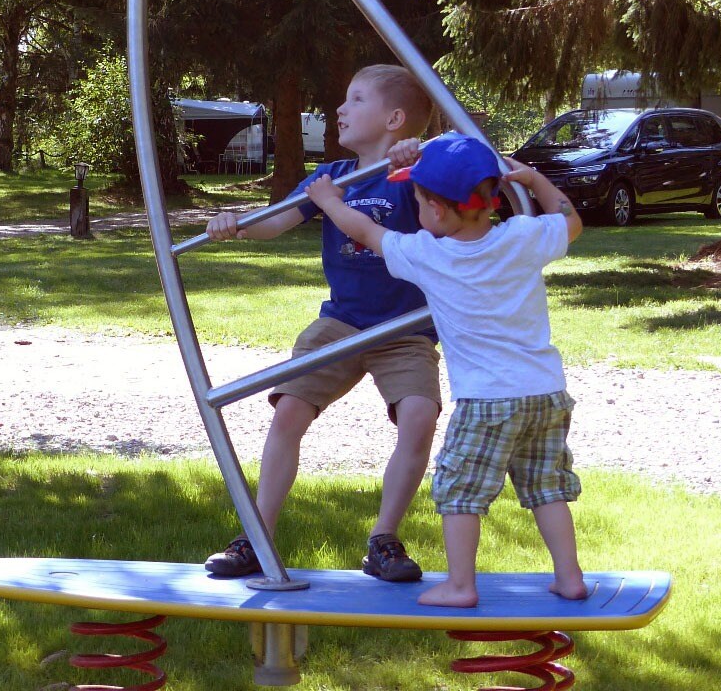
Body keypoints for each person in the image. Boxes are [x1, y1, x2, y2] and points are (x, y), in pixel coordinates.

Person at [305, 132, 587, 608]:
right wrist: (536, 180)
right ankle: (570, 576)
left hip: (486, 400)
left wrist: (330, 201)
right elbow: (570, 220)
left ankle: (460, 585)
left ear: (435, 210)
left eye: (416, 199)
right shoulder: (523, 237)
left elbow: (365, 232)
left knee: (460, 492)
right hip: (546, 393)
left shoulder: (428, 256)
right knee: (547, 488)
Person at [203, 64, 442, 583]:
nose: (340, 108)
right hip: (341, 322)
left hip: (406, 329)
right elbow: (275, 222)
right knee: (288, 409)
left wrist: (419, 161)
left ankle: (383, 540)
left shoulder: (418, 171)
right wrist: (235, 226)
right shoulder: (329, 177)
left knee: (420, 417)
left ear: (394, 119)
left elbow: (454, 204)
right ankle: (257, 537)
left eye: (356, 99)